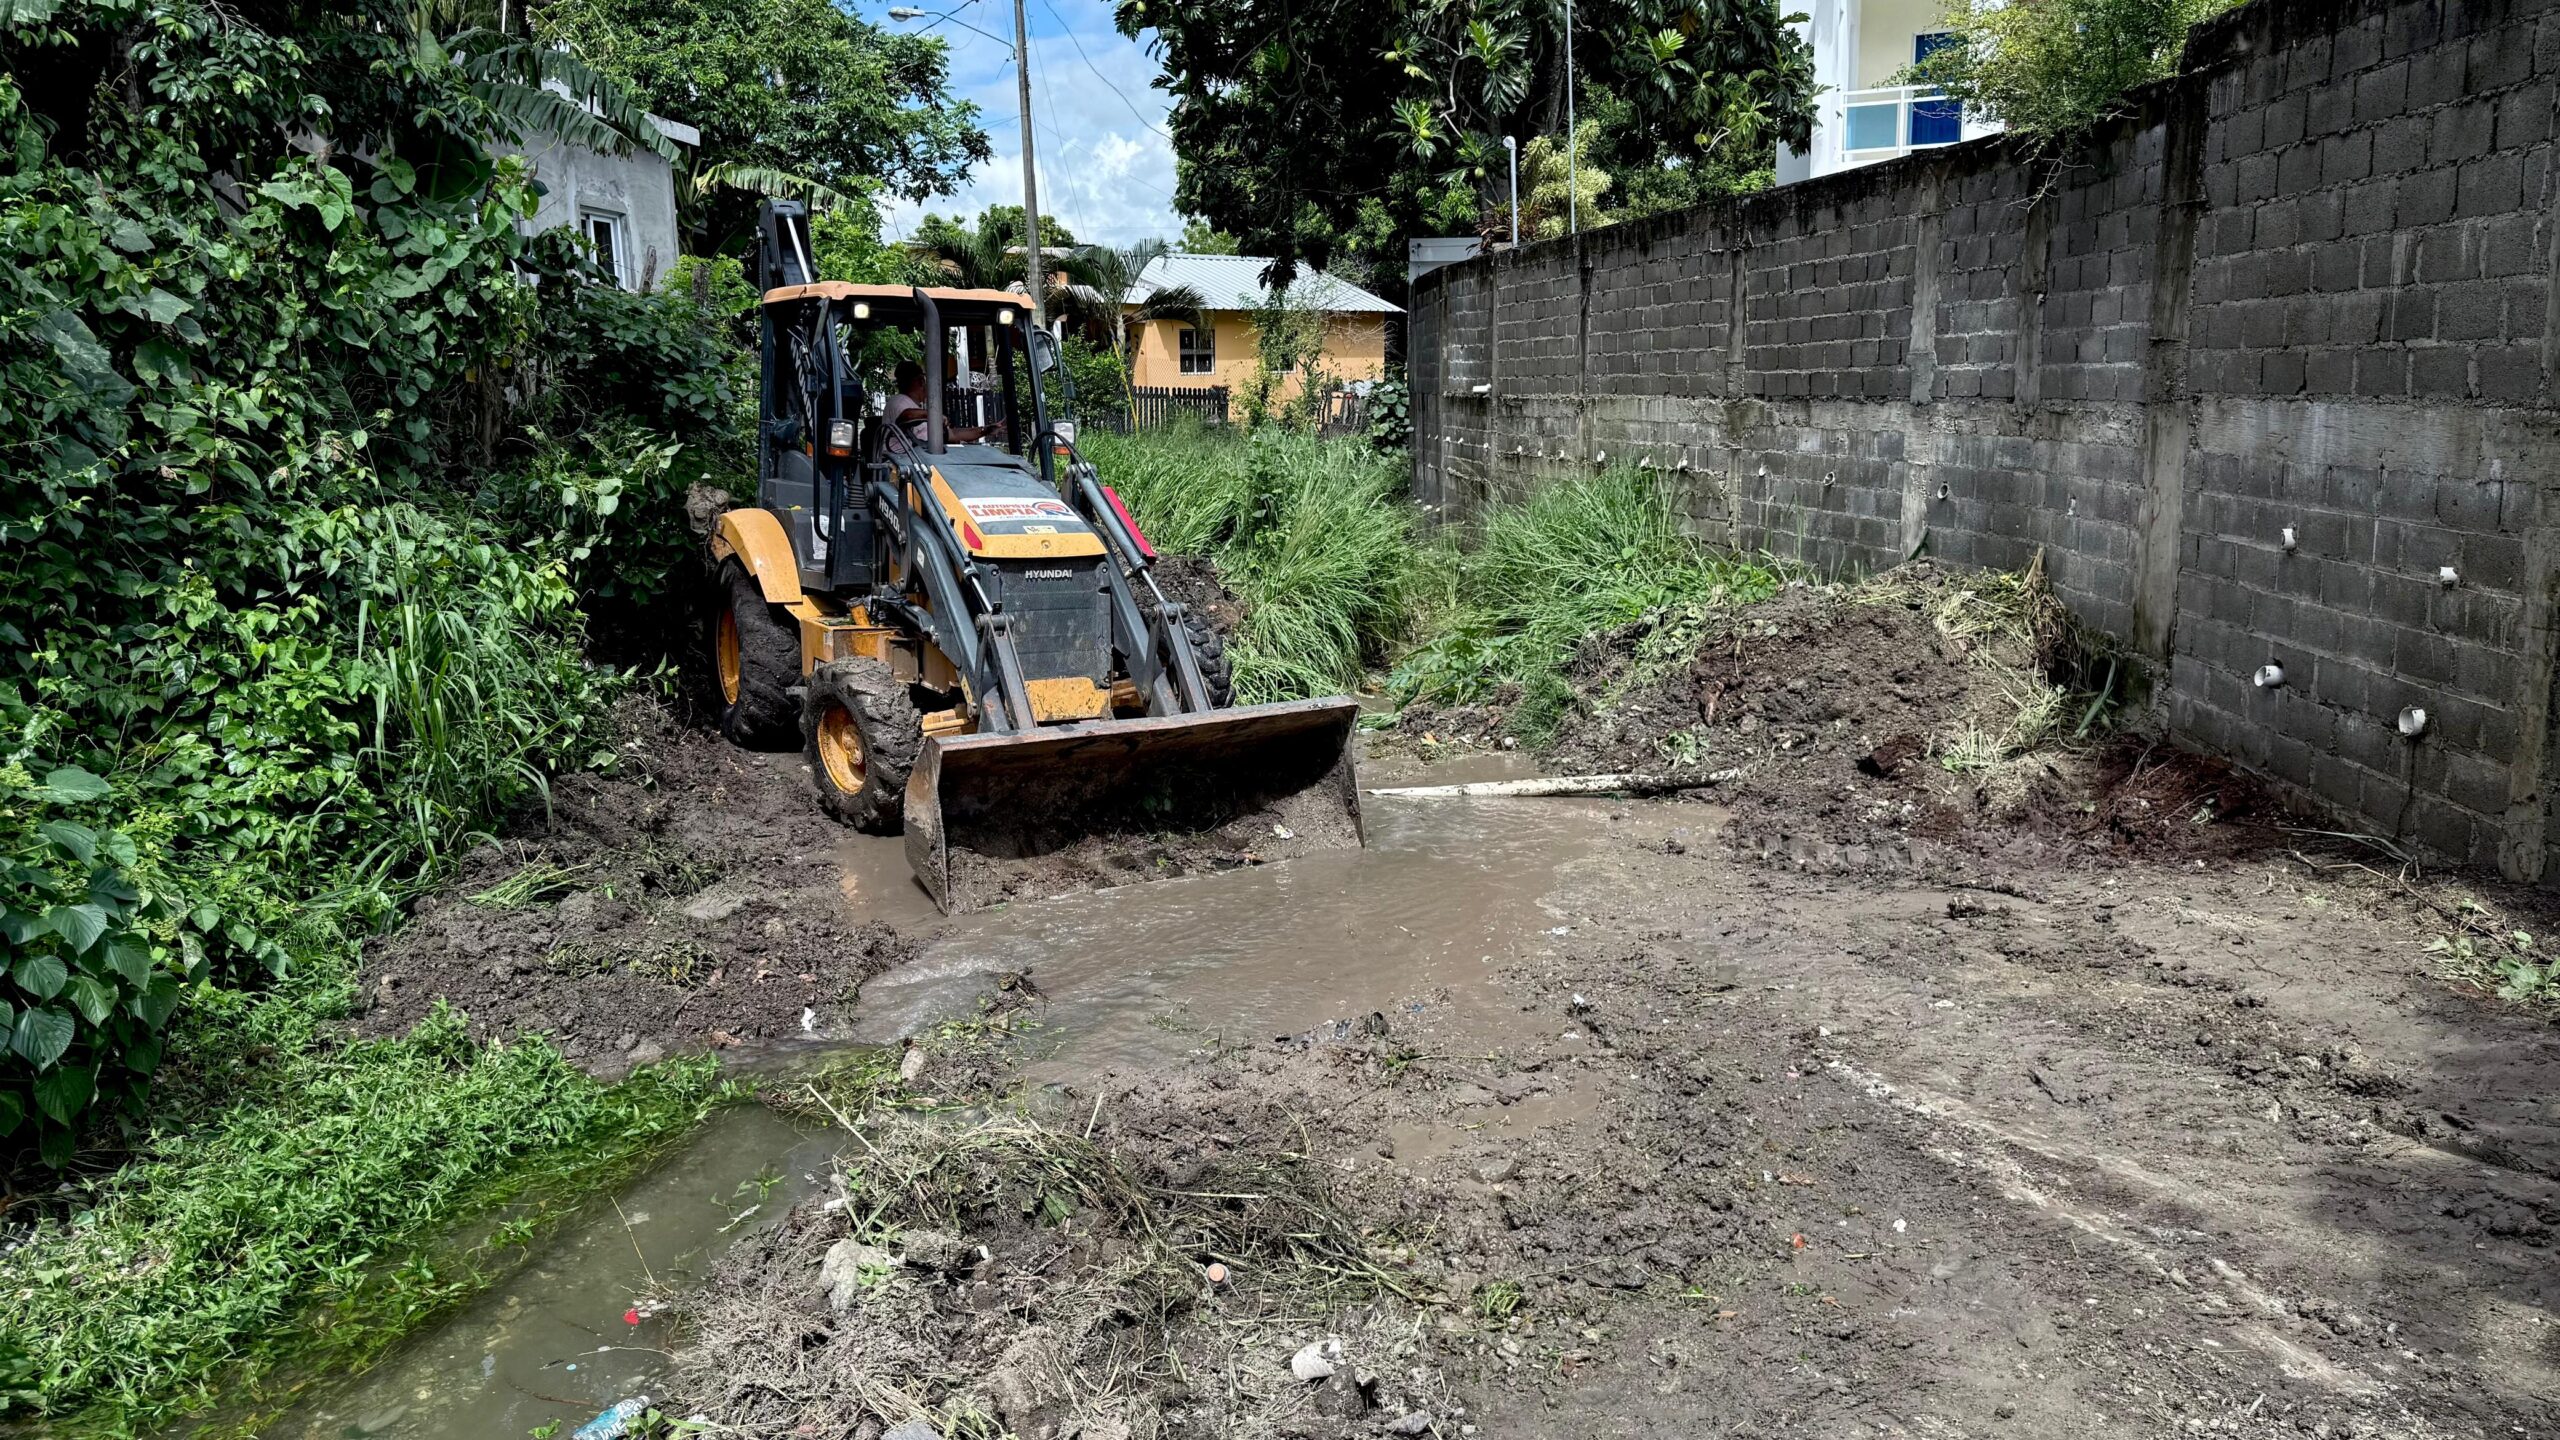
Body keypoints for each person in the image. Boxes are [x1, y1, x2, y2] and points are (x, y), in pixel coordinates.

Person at [882, 360, 1003, 448]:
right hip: (902, 466)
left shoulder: (915, 407)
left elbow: (954, 434)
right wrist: (933, 415)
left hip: (921, 462)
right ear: (920, 381)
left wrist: (986, 430)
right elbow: (906, 416)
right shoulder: (898, 402)